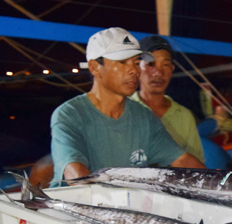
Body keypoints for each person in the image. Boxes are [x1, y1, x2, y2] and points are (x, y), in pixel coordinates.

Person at [50, 27, 205, 185]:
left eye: (136, 62)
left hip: (125, 204)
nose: (133, 70)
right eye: (122, 62)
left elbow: (181, 160)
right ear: (94, 67)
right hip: (73, 205)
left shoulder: (144, 117)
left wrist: (219, 185)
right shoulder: (70, 114)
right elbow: (76, 174)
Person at [129, 35, 205, 164]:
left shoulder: (184, 116)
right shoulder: (122, 109)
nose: (158, 72)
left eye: (165, 64)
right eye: (150, 64)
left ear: (172, 69)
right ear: (137, 68)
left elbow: (195, 166)